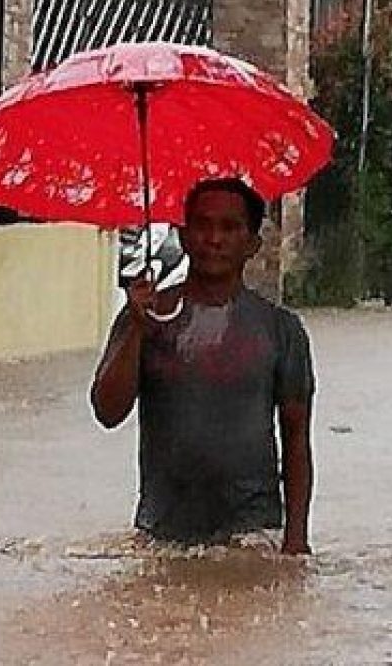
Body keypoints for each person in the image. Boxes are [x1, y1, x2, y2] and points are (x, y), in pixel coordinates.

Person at [90, 178, 315, 554]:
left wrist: (296, 541)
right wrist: (137, 333)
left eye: (230, 228)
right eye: (202, 225)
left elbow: (296, 438)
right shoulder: (144, 318)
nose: (214, 239)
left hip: (252, 534)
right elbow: (107, 412)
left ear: (252, 243)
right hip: (163, 534)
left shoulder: (281, 330)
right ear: (183, 234)